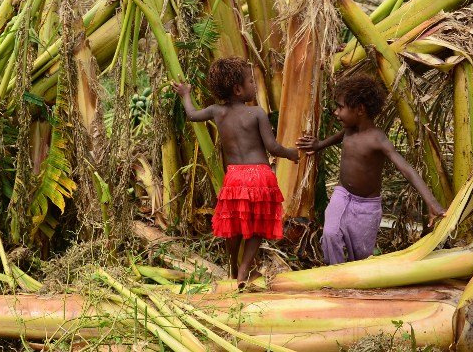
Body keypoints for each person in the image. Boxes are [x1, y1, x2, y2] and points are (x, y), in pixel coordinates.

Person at [172, 57, 299, 289]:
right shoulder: (257, 113)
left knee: (235, 224)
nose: (254, 85)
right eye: (251, 81)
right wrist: (290, 153)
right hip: (260, 176)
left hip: (235, 177)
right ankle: (244, 271)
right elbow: (272, 147)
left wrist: (185, 94)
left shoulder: (216, 112)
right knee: (257, 226)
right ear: (238, 89)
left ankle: (232, 269)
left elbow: (192, 115)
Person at [296, 74, 446, 265]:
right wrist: (319, 145)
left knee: (361, 255)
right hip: (342, 195)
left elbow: (406, 169)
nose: (336, 112)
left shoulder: (377, 139)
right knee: (330, 234)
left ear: (360, 110)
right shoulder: (349, 129)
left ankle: (356, 284)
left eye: (341, 107)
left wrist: (431, 201)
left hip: (367, 207)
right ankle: (335, 276)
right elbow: (340, 136)